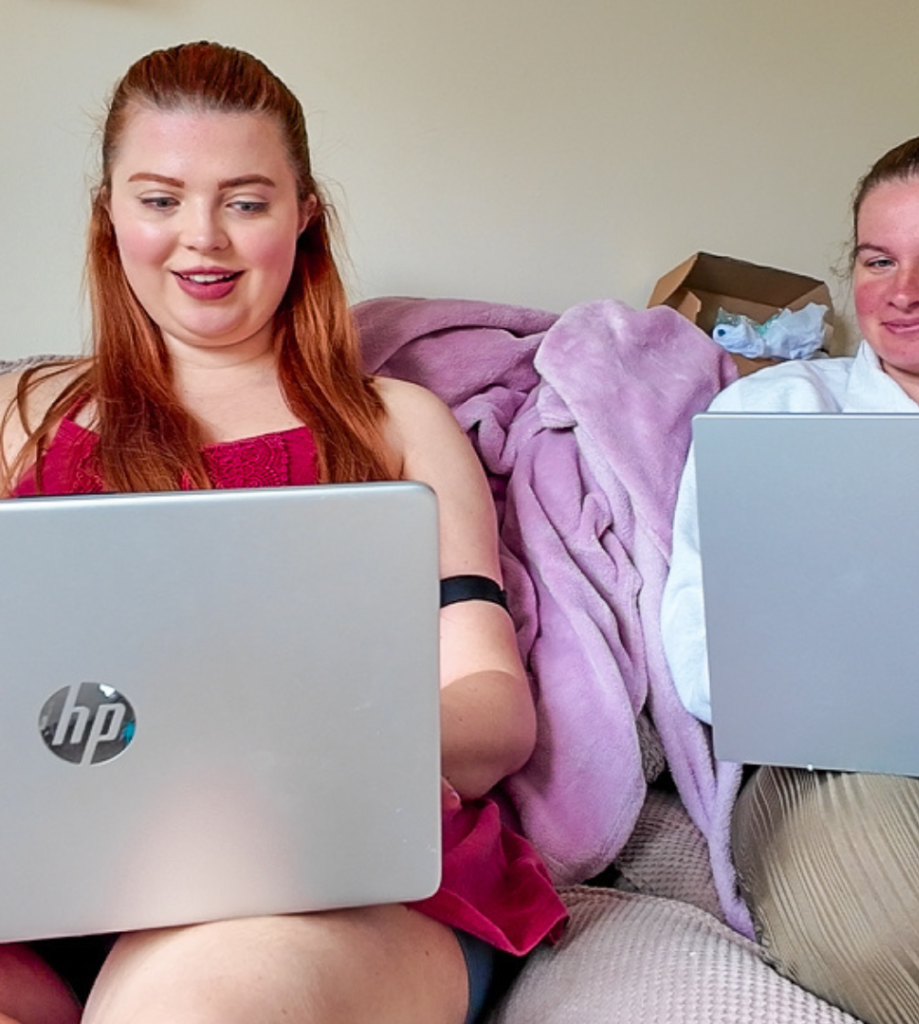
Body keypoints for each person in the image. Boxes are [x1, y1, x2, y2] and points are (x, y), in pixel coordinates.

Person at [0, 41, 566, 1024]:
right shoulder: (24, 414)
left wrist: (299, 758)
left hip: (335, 888)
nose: (202, 238)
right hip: (48, 897)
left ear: (304, 212)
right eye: (160, 198)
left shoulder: (395, 423)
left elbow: (493, 712)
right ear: (109, 213)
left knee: (189, 1002)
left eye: (246, 200)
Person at [661, 127, 919, 1024]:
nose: (902, 292)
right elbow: (703, 644)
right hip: (843, 765)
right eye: (876, 259)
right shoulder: (778, 409)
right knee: (898, 930)